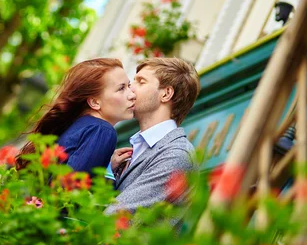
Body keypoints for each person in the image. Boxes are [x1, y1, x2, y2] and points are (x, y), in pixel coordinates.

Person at [105, 57, 200, 214]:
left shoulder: (176, 155)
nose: (130, 88)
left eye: (140, 82)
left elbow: (118, 216)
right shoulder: (134, 149)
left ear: (166, 94)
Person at [16, 58, 136, 173]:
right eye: (121, 88)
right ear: (94, 102)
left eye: (129, 86)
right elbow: (73, 187)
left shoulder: (78, 126)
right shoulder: (102, 130)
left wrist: (108, 166)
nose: (132, 95)